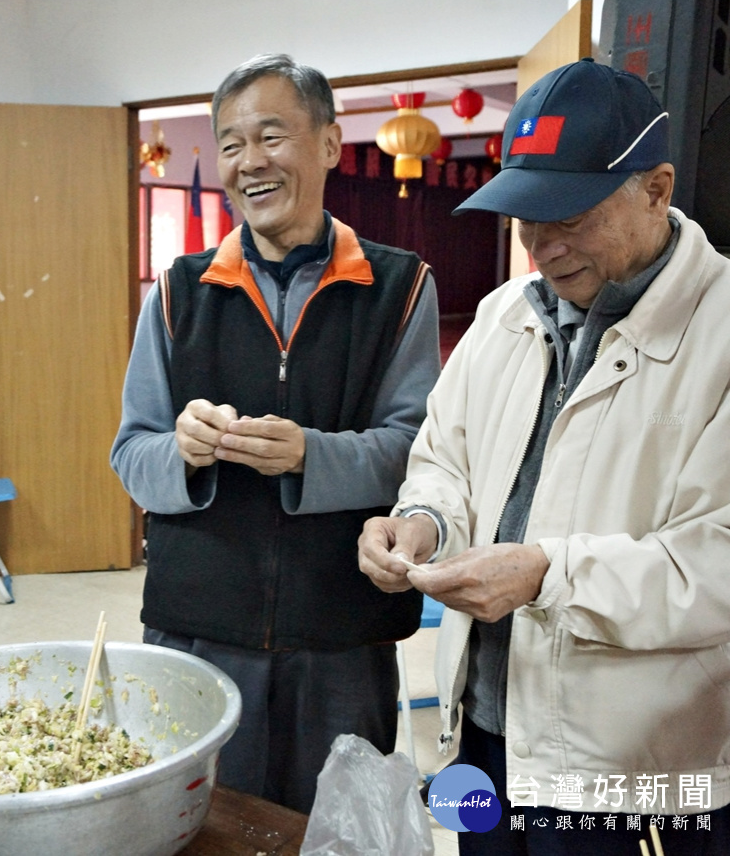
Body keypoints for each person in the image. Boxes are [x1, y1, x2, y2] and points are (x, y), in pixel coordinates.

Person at [358, 58, 730, 854]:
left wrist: (546, 575)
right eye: (527, 219)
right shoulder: (502, 317)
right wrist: (420, 521)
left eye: (571, 217)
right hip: (485, 734)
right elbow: (444, 461)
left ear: (657, 191)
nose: (543, 248)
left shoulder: (721, 333)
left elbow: (716, 565)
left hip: (629, 770)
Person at [110, 53, 442, 813]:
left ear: (328, 144)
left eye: (271, 137)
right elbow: (132, 453)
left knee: (331, 828)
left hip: (341, 638)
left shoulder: (399, 286)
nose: (248, 163)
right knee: (200, 825)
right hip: (197, 629)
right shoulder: (177, 292)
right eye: (229, 144)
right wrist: (184, 454)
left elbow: (417, 451)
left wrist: (309, 456)